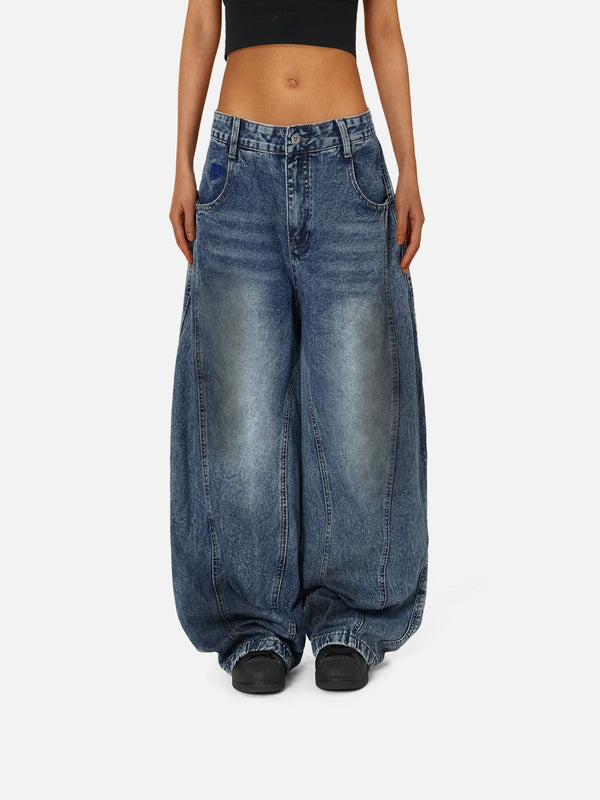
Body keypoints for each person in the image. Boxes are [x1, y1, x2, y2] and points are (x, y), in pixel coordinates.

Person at [169, 0, 428, 693]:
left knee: (356, 404)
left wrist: (409, 166)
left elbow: (383, 27)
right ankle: (255, 624)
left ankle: (353, 618)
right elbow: (201, 25)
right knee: (240, 405)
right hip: (237, 164)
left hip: (346, 164)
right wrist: (182, 164)